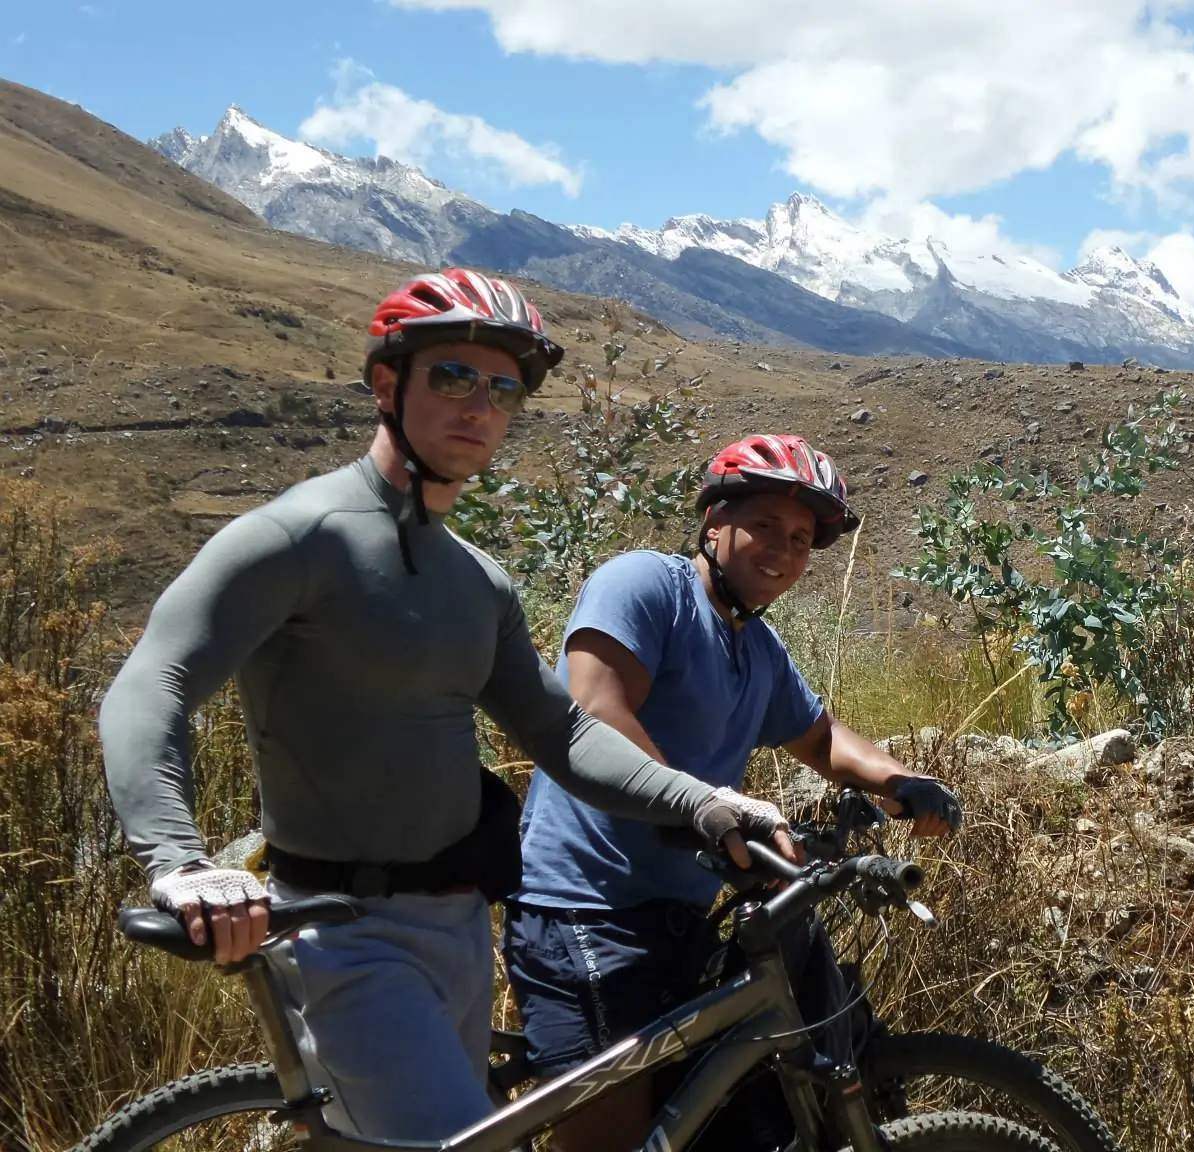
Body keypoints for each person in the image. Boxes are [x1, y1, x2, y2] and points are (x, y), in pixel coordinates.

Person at [99, 269, 796, 1142]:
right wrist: (179, 859)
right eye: (453, 377)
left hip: (461, 926)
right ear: (388, 384)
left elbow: (562, 731)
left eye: (503, 389)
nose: (481, 406)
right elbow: (153, 682)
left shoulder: (477, 579)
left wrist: (704, 803)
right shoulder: (297, 537)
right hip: (343, 932)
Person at [502, 433, 964, 1152]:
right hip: (585, 908)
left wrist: (902, 781)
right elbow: (595, 708)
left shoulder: (758, 649)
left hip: (680, 914)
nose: (784, 550)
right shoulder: (645, 586)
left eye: (803, 539)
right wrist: (707, 807)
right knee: (613, 1137)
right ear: (714, 522)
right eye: (767, 527)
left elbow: (822, 740)